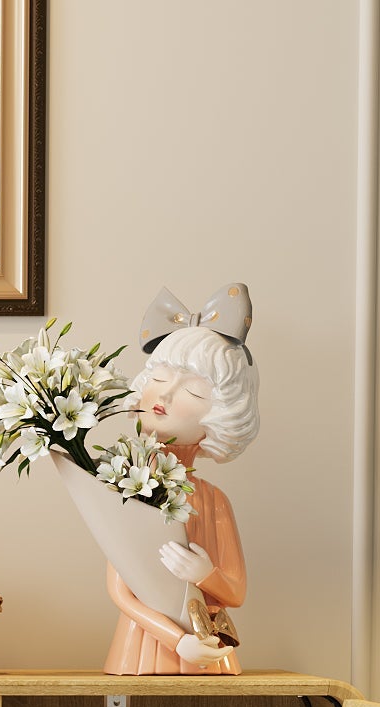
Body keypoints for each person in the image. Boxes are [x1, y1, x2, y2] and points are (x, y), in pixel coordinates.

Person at [103, 288, 261, 676]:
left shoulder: (213, 501)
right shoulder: (128, 487)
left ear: (222, 418)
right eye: (159, 377)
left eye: (192, 390)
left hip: (210, 650)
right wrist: (178, 642)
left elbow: (236, 591)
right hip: (143, 650)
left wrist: (204, 574)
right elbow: (121, 592)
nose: (167, 393)